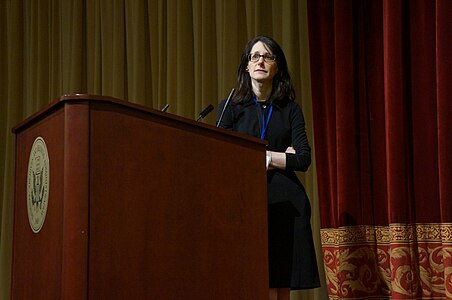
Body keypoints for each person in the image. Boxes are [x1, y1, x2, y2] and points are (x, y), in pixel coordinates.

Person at [216, 35, 320, 300]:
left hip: (286, 203)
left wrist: (267, 158)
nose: (260, 61)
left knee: (280, 282)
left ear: (277, 66)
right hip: (243, 203)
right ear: (247, 66)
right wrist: (281, 156)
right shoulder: (231, 108)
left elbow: (303, 159)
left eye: (267, 56)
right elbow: (222, 157)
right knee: (252, 278)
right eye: (255, 56)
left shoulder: (290, 109)